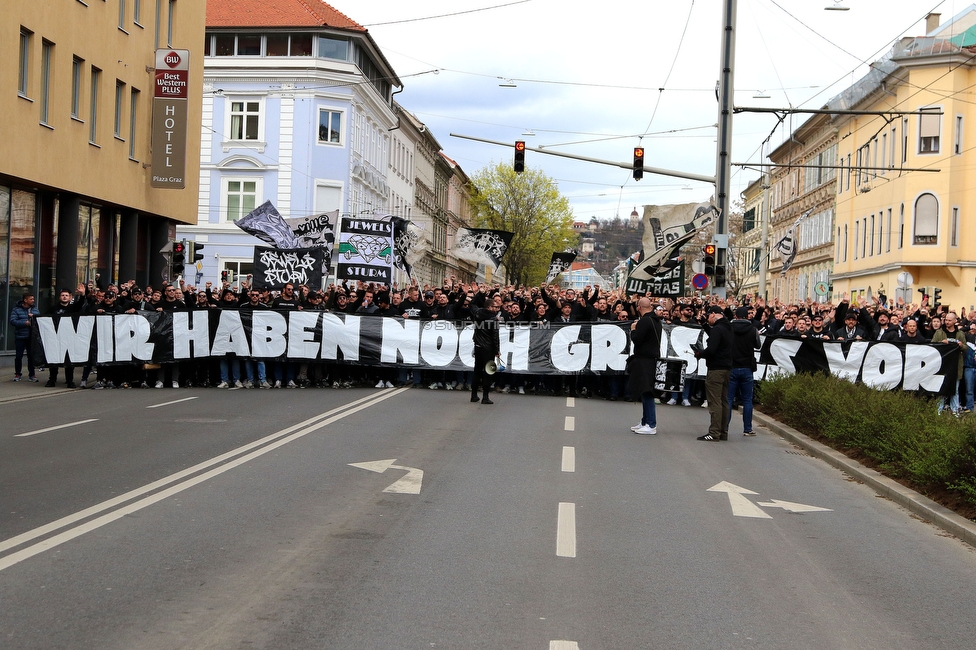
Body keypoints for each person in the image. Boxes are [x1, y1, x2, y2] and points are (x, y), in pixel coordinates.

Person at [695, 305, 733, 441]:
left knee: (714, 401)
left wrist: (699, 354)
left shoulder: (718, 329)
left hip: (716, 368)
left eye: (708, 316)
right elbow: (717, 337)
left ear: (713, 314)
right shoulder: (728, 328)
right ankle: (723, 432)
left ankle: (714, 432)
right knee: (724, 401)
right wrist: (705, 325)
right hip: (727, 368)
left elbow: (711, 349)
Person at [626, 297, 662, 435]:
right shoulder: (655, 320)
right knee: (644, 390)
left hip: (644, 360)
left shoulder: (644, 321)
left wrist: (633, 329)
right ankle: (644, 421)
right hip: (651, 359)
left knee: (647, 392)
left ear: (639, 307)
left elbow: (637, 340)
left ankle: (651, 424)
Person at [728, 306, 761, 436]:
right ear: (747, 316)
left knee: (729, 399)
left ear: (735, 316)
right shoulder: (753, 330)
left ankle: (725, 427)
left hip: (732, 366)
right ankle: (747, 428)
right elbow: (758, 345)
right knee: (747, 400)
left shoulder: (729, 329)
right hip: (747, 367)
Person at [468, 292, 501, 404]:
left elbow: (472, 304)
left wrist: (479, 293)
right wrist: (497, 350)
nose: (497, 309)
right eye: (495, 306)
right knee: (488, 372)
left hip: (478, 346)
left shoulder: (477, 313)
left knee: (477, 371)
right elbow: (495, 336)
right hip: (488, 349)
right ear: (489, 307)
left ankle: (473, 395)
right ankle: (485, 397)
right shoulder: (494, 319)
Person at [10, 292, 40, 382]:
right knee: (18, 356)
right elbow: (12, 321)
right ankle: (17, 373)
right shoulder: (16, 310)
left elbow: (40, 320)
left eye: (33, 299)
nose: (33, 301)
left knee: (31, 356)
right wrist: (25, 323)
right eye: (31, 299)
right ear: (25, 300)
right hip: (20, 336)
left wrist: (34, 317)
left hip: (31, 337)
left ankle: (32, 374)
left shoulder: (35, 309)